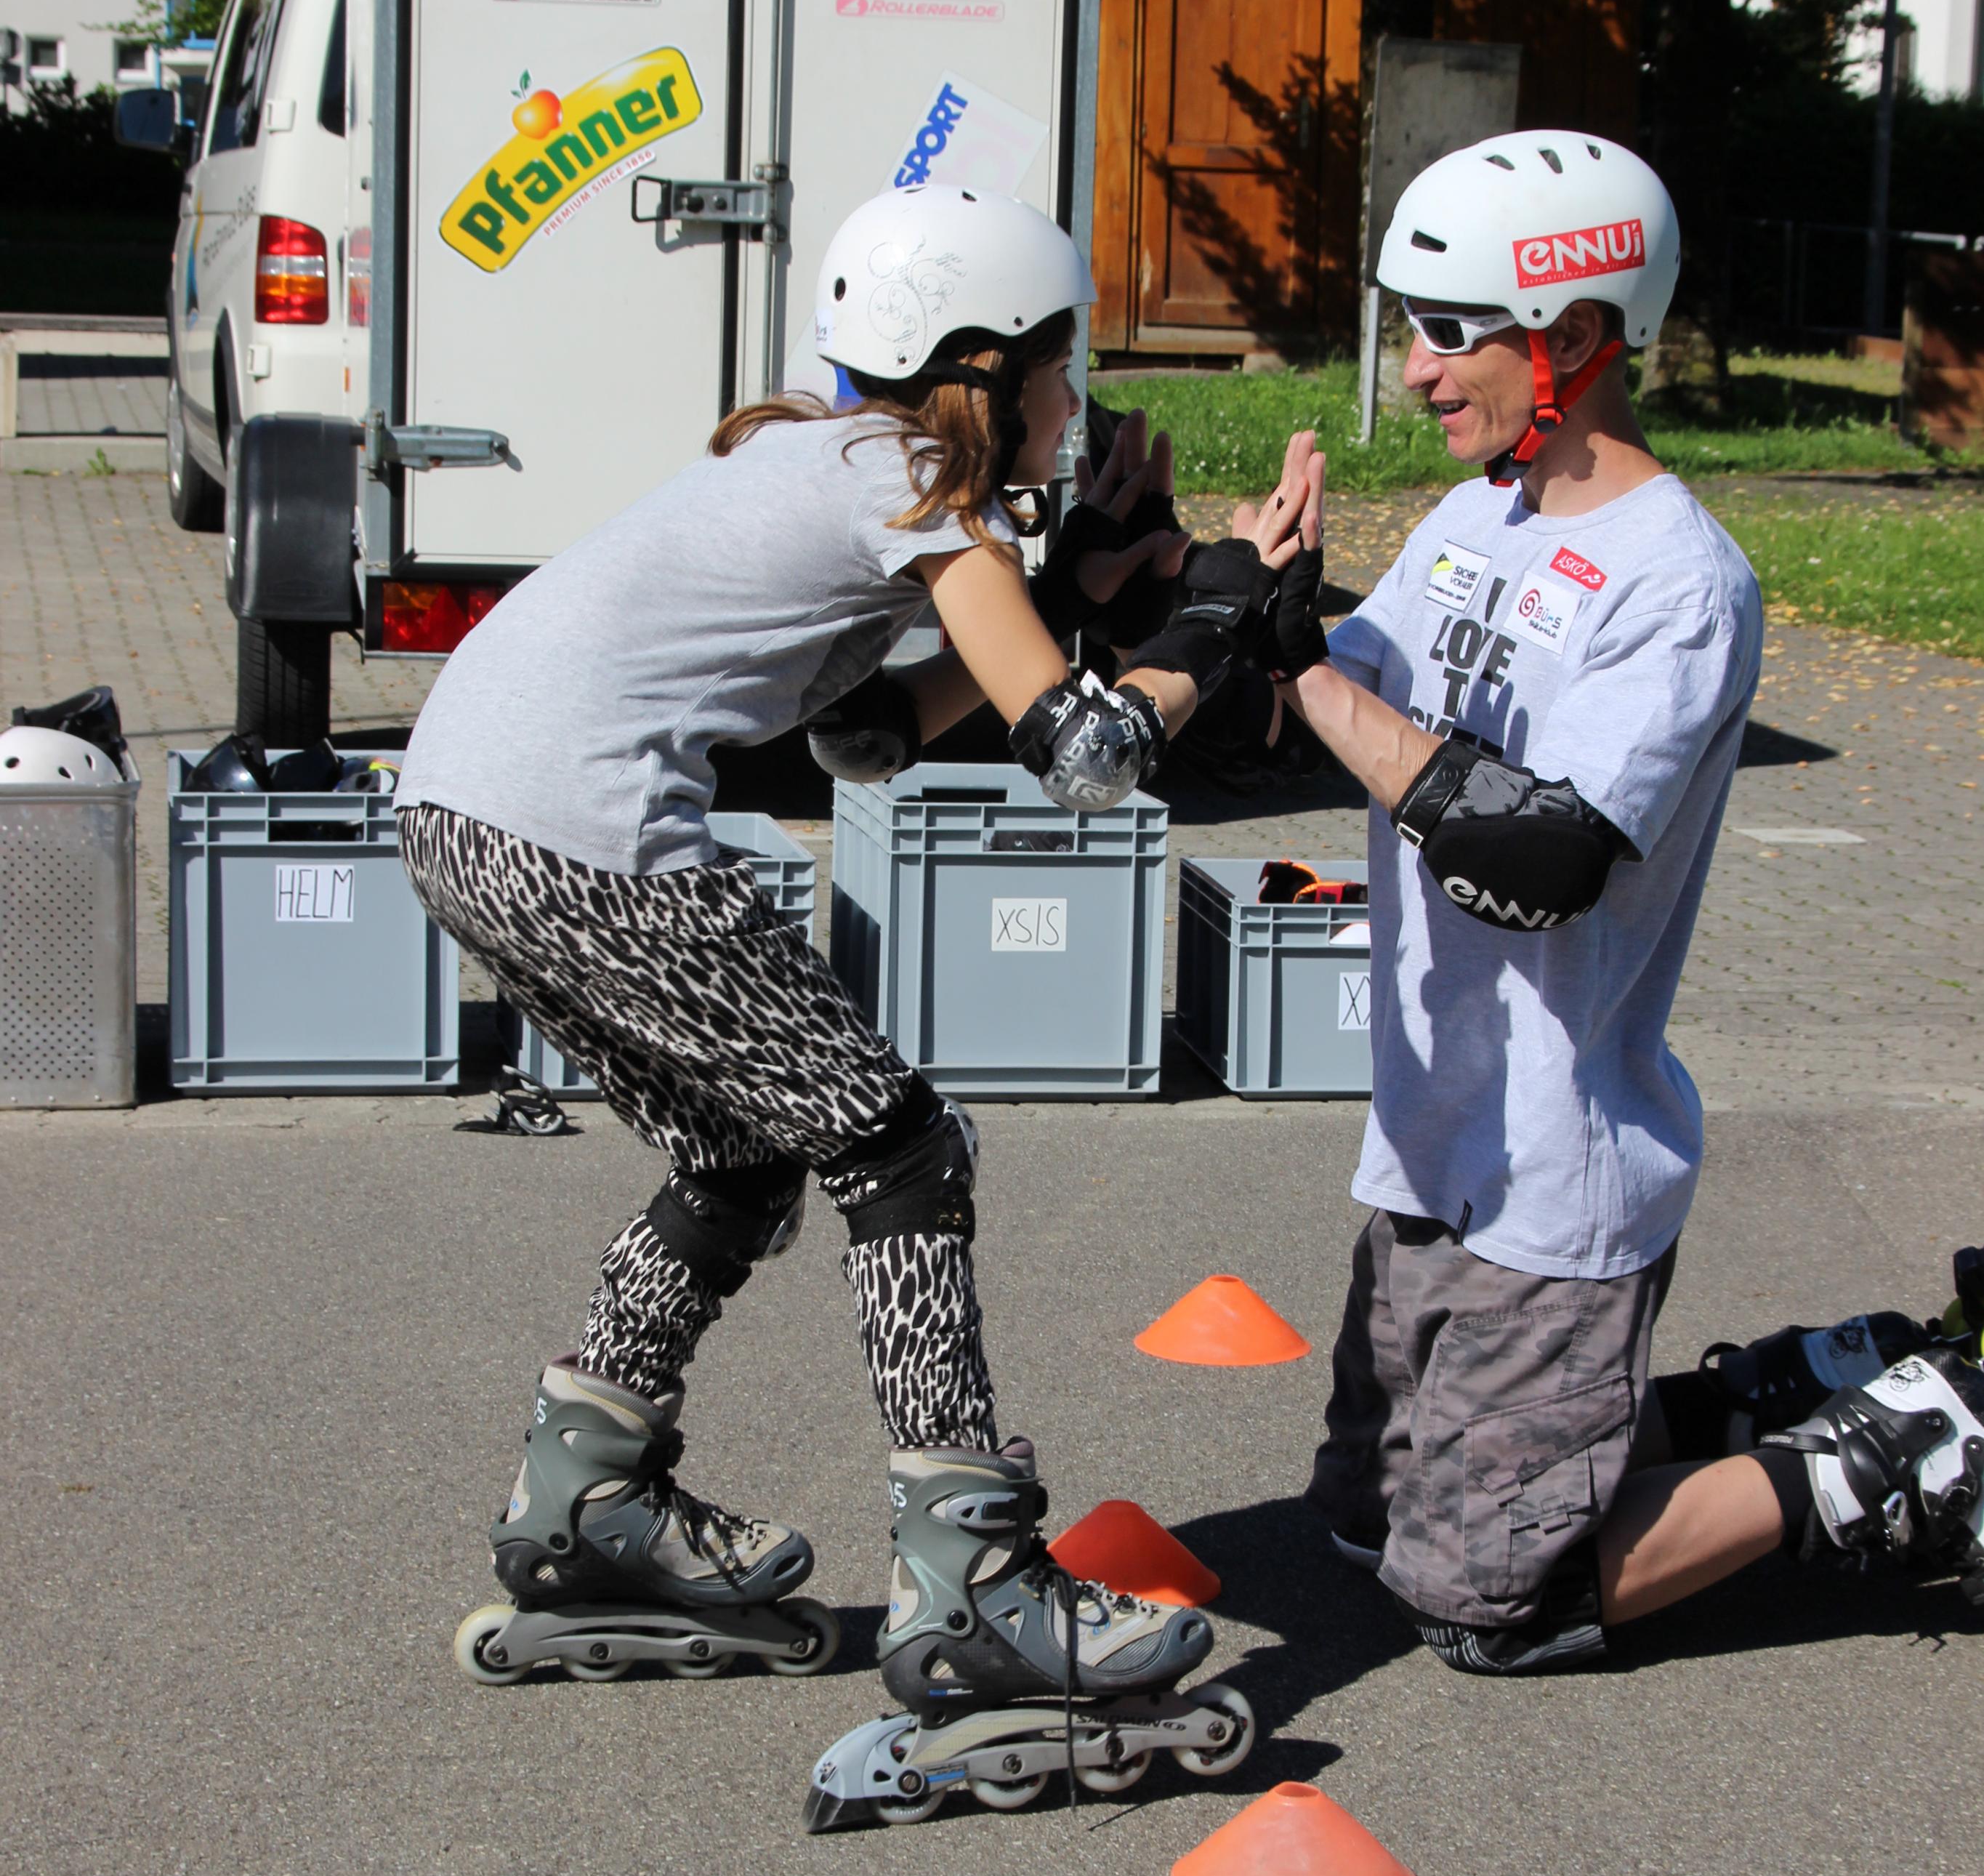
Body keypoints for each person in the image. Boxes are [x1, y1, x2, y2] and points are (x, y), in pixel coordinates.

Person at [395, 185, 1312, 1778]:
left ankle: (588, 1495)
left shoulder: (835, 457)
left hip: (463, 816)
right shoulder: (910, 485)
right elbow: (1090, 762)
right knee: (901, 1146)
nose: (1075, 403)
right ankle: (973, 1582)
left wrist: (1077, 598)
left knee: (743, 1152)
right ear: (981, 365)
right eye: (1059, 365)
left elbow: (863, 736)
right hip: (583, 836)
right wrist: (1219, 613)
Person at [1276, 129, 1984, 1670]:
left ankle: (1919, 1442)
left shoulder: (1679, 580)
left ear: (1578, 333)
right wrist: (1209, 612)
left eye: (1448, 331)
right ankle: (1775, 1391)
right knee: (1360, 1525)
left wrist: (1303, 671)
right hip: (1430, 1140)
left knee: (1486, 1608)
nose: (1415, 371)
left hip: (1554, 1171)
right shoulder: (1480, 517)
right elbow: (1327, 704)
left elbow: (1539, 860)